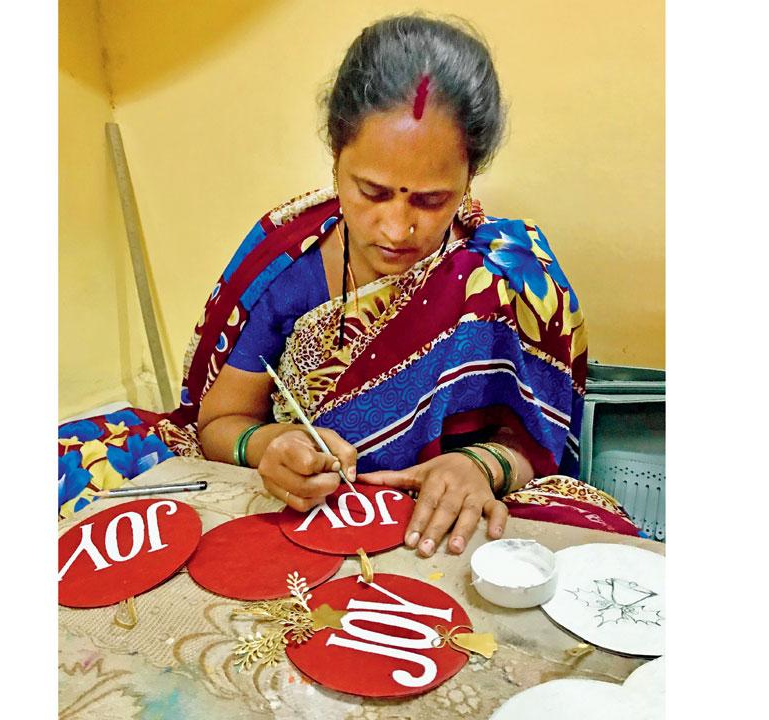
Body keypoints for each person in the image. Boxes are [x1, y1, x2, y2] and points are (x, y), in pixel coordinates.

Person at [61, 14, 641, 549]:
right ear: (335, 158)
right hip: (308, 509)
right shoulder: (289, 264)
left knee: (599, 539)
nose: (396, 227)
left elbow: (539, 446)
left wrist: (479, 467)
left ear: (472, 173)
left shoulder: (506, 274)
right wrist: (266, 446)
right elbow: (216, 424)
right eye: (371, 191)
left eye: (433, 199)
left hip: (447, 516)